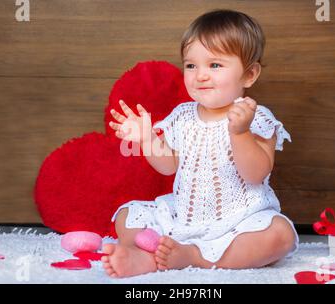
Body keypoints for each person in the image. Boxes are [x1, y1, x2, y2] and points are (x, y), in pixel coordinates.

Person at [102, 9, 299, 278]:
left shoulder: (256, 118)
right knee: (128, 216)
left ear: (249, 75)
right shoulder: (183, 116)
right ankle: (147, 256)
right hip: (185, 215)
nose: (200, 75)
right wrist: (147, 140)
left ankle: (192, 257)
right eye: (191, 65)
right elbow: (168, 166)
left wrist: (239, 133)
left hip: (239, 222)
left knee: (280, 235)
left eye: (214, 65)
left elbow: (255, 173)